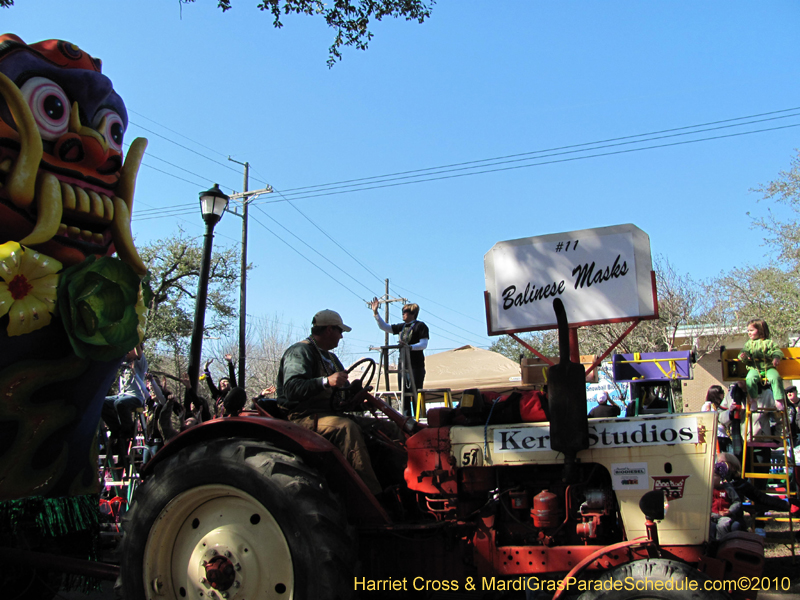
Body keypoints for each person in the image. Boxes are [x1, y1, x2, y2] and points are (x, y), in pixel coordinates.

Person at [276, 309, 388, 495]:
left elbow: (341, 394)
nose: (341, 337)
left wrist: (357, 397)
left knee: (383, 427)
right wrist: (326, 381)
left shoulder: (331, 358)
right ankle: (372, 497)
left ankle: (397, 485)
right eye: (340, 331)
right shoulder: (300, 351)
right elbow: (292, 389)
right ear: (329, 330)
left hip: (330, 413)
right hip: (302, 417)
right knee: (346, 428)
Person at [370, 297, 429, 405]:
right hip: (403, 365)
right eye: (402, 311)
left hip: (416, 365)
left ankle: (417, 418)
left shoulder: (420, 326)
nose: (403, 314)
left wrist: (410, 347)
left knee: (416, 394)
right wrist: (376, 313)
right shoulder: (401, 327)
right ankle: (406, 418)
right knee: (404, 395)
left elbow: (423, 344)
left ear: (413, 313)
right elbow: (385, 327)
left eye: (405, 311)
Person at [101, 343, 148, 467]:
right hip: (121, 396)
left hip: (135, 397)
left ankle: (128, 428)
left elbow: (139, 353)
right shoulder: (124, 364)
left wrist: (136, 341)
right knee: (102, 401)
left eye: (129, 349)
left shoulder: (140, 364)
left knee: (120, 403)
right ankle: (116, 429)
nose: (126, 352)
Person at [739, 318, 784, 405]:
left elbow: (776, 351)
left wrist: (776, 357)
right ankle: (753, 400)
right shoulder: (749, 344)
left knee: (776, 378)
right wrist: (744, 356)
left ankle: (778, 399)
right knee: (750, 378)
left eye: (752, 330)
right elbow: (744, 352)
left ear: (760, 330)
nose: (749, 333)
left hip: (769, 367)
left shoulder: (769, 342)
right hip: (755, 368)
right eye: (748, 331)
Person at [702, 384, 732, 453]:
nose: (723, 394)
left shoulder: (722, 405)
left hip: (725, 435)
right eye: (721, 392)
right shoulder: (708, 406)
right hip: (717, 436)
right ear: (715, 395)